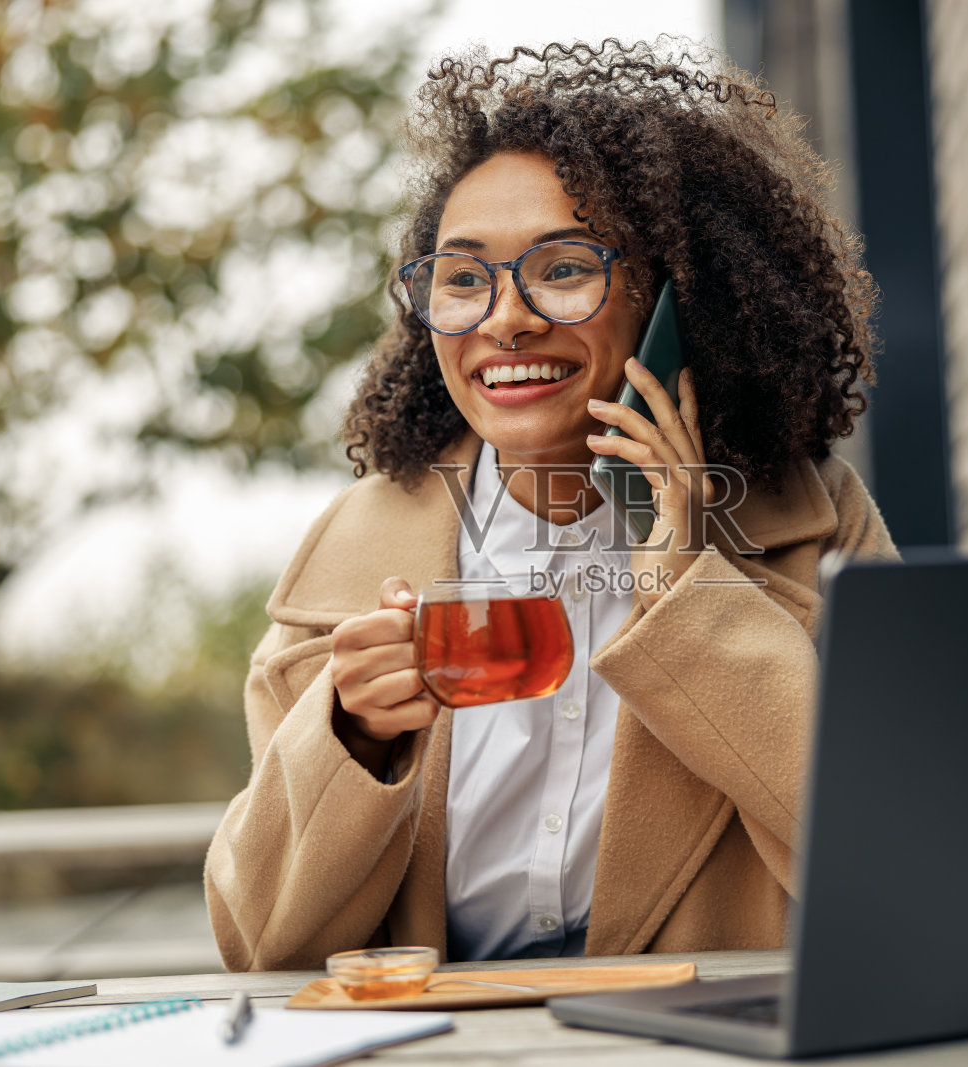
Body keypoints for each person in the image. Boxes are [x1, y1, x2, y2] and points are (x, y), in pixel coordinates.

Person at [204, 39, 898, 971]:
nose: (505, 319)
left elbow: (901, 859)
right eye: (462, 278)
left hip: (699, 1033)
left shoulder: (818, 527)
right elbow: (255, 944)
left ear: (676, 299)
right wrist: (353, 735)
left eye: (565, 268)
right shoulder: (347, 555)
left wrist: (694, 591)